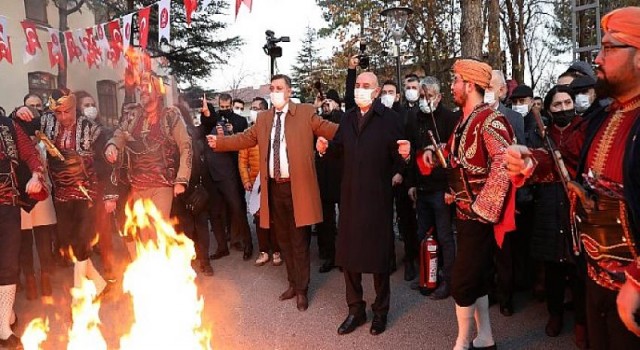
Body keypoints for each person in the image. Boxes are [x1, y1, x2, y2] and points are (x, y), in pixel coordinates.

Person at [506, 6, 640, 348]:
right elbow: (567, 161)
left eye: (609, 48)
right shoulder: (603, 116)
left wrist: (637, 282)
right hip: (595, 273)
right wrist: (531, 162)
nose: (597, 58)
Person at [207, 74, 339, 311]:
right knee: (284, 240)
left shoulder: (306, 112)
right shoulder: (264, 119)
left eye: (279, 88)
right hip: (274, 189)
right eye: (272, 88)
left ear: (289, 91)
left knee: (299, 241)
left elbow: (330, 130)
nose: (275, 92)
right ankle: (292, 283)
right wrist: (220, 142)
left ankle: (302, 289)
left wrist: (358, 129)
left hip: (297, 188)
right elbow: (245, 139)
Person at [422, 59, 515, 349]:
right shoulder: (464, 120)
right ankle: (485, 338)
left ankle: (463, 341)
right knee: (476, 278)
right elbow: (457, 159)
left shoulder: (490, 120)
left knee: (461, 281)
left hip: (480, 216)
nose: (452, 87)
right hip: (464, 213)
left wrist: (482, 209)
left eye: (456, 81)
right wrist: (432, 153)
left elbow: (503, 163)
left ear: (470, 84)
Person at [316, 71, 410, 336]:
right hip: (350, 197)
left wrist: (404, 157)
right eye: (357, 85)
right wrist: (325, 148)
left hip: (377, 197)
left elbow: (398, 157)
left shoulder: (389, 120)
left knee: (379, 258)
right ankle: (355, 310)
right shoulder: (347, 119)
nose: (360, 89)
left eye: (366, 86)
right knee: (349, 257)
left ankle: (381, 312)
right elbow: (339, 151)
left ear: (377, 91)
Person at [15, 88, 112, 300]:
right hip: (61, 194)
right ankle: (99, 283)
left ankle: (79, 295)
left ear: (74, 107)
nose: (63, 117)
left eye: (67, 111)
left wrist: (109, 194)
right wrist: (20, 110)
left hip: (88, 193)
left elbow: (106, 164)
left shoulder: (93, 129)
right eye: (58, 113)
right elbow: (19, 126)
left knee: (82, 239)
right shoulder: (46, 121)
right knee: (68, 241)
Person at [525, 85, 588, 346]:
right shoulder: (541, 134)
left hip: (576, 204)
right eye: (557, 104)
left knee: (579, 268)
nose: (563, 108)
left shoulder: (584, 129)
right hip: (548, 205)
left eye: (567, 103)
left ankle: (583, 323)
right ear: (548, 109)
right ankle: (555, 314)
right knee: (552, 267)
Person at [104, 72, 192, 244]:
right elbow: (119, 135)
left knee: (158, 230)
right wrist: (112, 146)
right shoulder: (133, 115)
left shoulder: (170, 115)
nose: (142, 90)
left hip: (162, 184)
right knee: (143, 234)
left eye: (147, 87)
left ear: (158, 91)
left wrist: (181, 180)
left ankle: (165, 268)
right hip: (137, 185)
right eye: (141, 87)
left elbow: (186, 146)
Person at [406, 76, 459, 299]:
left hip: (441, 188)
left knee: (445, 236)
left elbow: (454, 157)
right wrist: (411, 183)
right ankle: (428, 276)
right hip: (422, 186)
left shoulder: (449, 118)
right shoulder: (414, 118)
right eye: (421, 96)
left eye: (429, 96)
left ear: (439, 96)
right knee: (423, 233)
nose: (424, 100)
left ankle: (449, 280)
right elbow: (410, 152)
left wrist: (451, 188)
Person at [0, 108, 44, 349]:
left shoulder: (9, 125)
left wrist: (36, 174)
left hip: (7, 203)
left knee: (8, 263)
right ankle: (5, 316)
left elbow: (30, 153)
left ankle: (4, 326)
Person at [200, 93, 253, 261]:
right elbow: (208, 121)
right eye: (221, 107)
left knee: (237, 209)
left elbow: (243, 142)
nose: (224, 110)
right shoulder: (212, 119)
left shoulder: (239, 121)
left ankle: (247, 243)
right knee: (215, 213)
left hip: (229, 172)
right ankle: (222, 246)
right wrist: (207, 113)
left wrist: (233, 132)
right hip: (211, 174)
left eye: (227, 107)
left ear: (231, 105)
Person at [240, 97, 282, 267]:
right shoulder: (248, 134)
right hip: (256, 185)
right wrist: (246, 180)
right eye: (253, 108)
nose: (254, 111)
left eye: (258, 108)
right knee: (259, 220)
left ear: (265, 111)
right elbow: (242, 161)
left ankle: (277, 251)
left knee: (275, 219)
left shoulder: (274, 132)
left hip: (272, 183)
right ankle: (264, 251)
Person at [315, 89, 344, 273]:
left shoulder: (343, 118)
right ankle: (329, 255)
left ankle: (344, 255)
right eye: (325, 102)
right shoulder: (317, 119)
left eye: (330, 101)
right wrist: (316, 107)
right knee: (325, 221)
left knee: (345, 219)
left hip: (341, 176)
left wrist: (335, 109)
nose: (327, 105)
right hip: (322, 176)